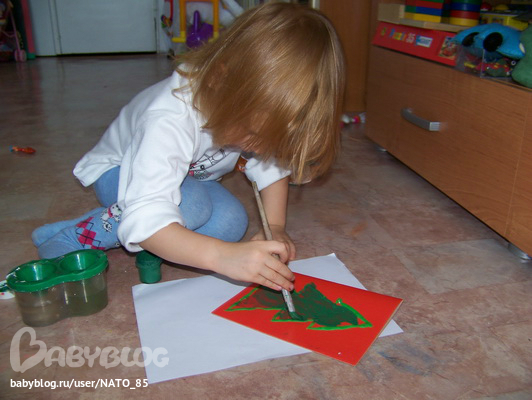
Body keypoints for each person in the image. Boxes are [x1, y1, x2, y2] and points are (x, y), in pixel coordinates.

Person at [31, 1, 345, 292]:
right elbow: (158, 211)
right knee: (192, 207)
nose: (261, 150)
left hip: (186, 181)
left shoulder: (245, 106)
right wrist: (221, 258)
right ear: (219, 80)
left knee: (230, 224)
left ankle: (156, 240)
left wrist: (274, 226)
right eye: (254, 135)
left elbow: (271, 168)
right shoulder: (168, 117)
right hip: (118, 170)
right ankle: (78, 234)